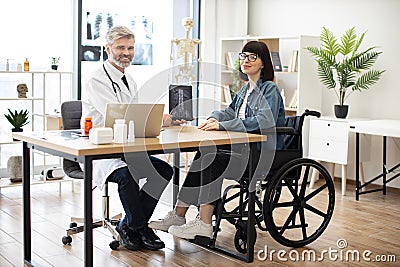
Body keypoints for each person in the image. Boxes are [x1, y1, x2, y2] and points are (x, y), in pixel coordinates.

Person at [148, 41, 285, 239]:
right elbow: (229, 112)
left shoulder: (269, 89)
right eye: (243, 56)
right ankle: (178, 215)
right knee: (204, 152)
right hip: (243, 152)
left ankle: (204, 224)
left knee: (211, 156)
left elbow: (265, 120)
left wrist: (224, 125)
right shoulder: (246, 89)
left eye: (252, 57)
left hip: (261, 155)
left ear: (263, 63)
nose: (246, 61)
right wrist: (214, 118)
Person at [81, 25, 175, 251]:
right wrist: (154, 118)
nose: (126, 52)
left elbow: (136, 115)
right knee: (128, 175)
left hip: (127, 148)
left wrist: (159, 120)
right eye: (120, 47)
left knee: (164, 170)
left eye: (130, 48)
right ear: (107, 49)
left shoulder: (129, 80)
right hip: (101, 151)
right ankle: (140, 227)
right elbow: (117, 115)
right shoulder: (96, 80)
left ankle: (130, 225)